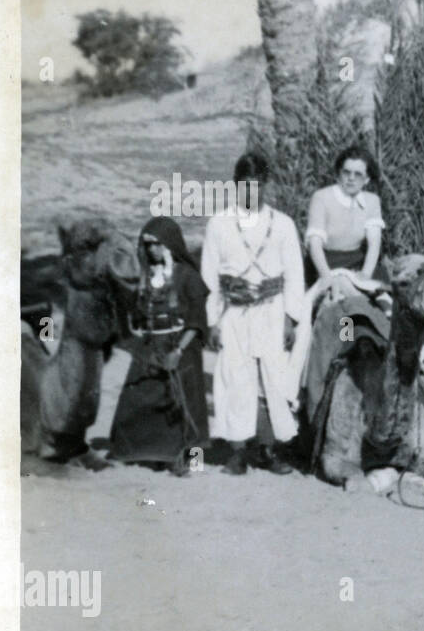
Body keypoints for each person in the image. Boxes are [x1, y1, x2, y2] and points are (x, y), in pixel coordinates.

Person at [201, 151, 306, 475]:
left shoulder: (283, 225)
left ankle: (269, 449)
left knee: (273, 380)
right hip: (234, 314)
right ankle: (237, 450)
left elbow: (294, 275)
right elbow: (210, 276)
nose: (252, 192)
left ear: (266, 185)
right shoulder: (219, 224)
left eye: (258, 185)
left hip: (272, 313)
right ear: (236, 186)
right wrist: (214, 320)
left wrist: (291, 318)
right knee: (235, 378)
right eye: (246, 185)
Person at [109, 217, 209, 474]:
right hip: (152, 345)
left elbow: (196, 321)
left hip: (181, 347)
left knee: (188, 402)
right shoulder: (144, 277)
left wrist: (178, 351)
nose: (152, 250)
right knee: (143, 397)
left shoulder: (188, 277)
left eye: (157, 244)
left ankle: (192, 460)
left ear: (170, 245)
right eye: (147, 245)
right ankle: (155, 453)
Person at [303, 144, 387, 288]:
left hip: (357, 262)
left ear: (366, 179)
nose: (351, 178)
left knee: (385, 299)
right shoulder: (321, 197)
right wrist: (325, 276)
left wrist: (365, 274)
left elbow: (374, 243)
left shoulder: (372, 201)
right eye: (346, 172)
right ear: (338, 174)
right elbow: (315, 244)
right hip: (325, 262)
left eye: (358, 174)